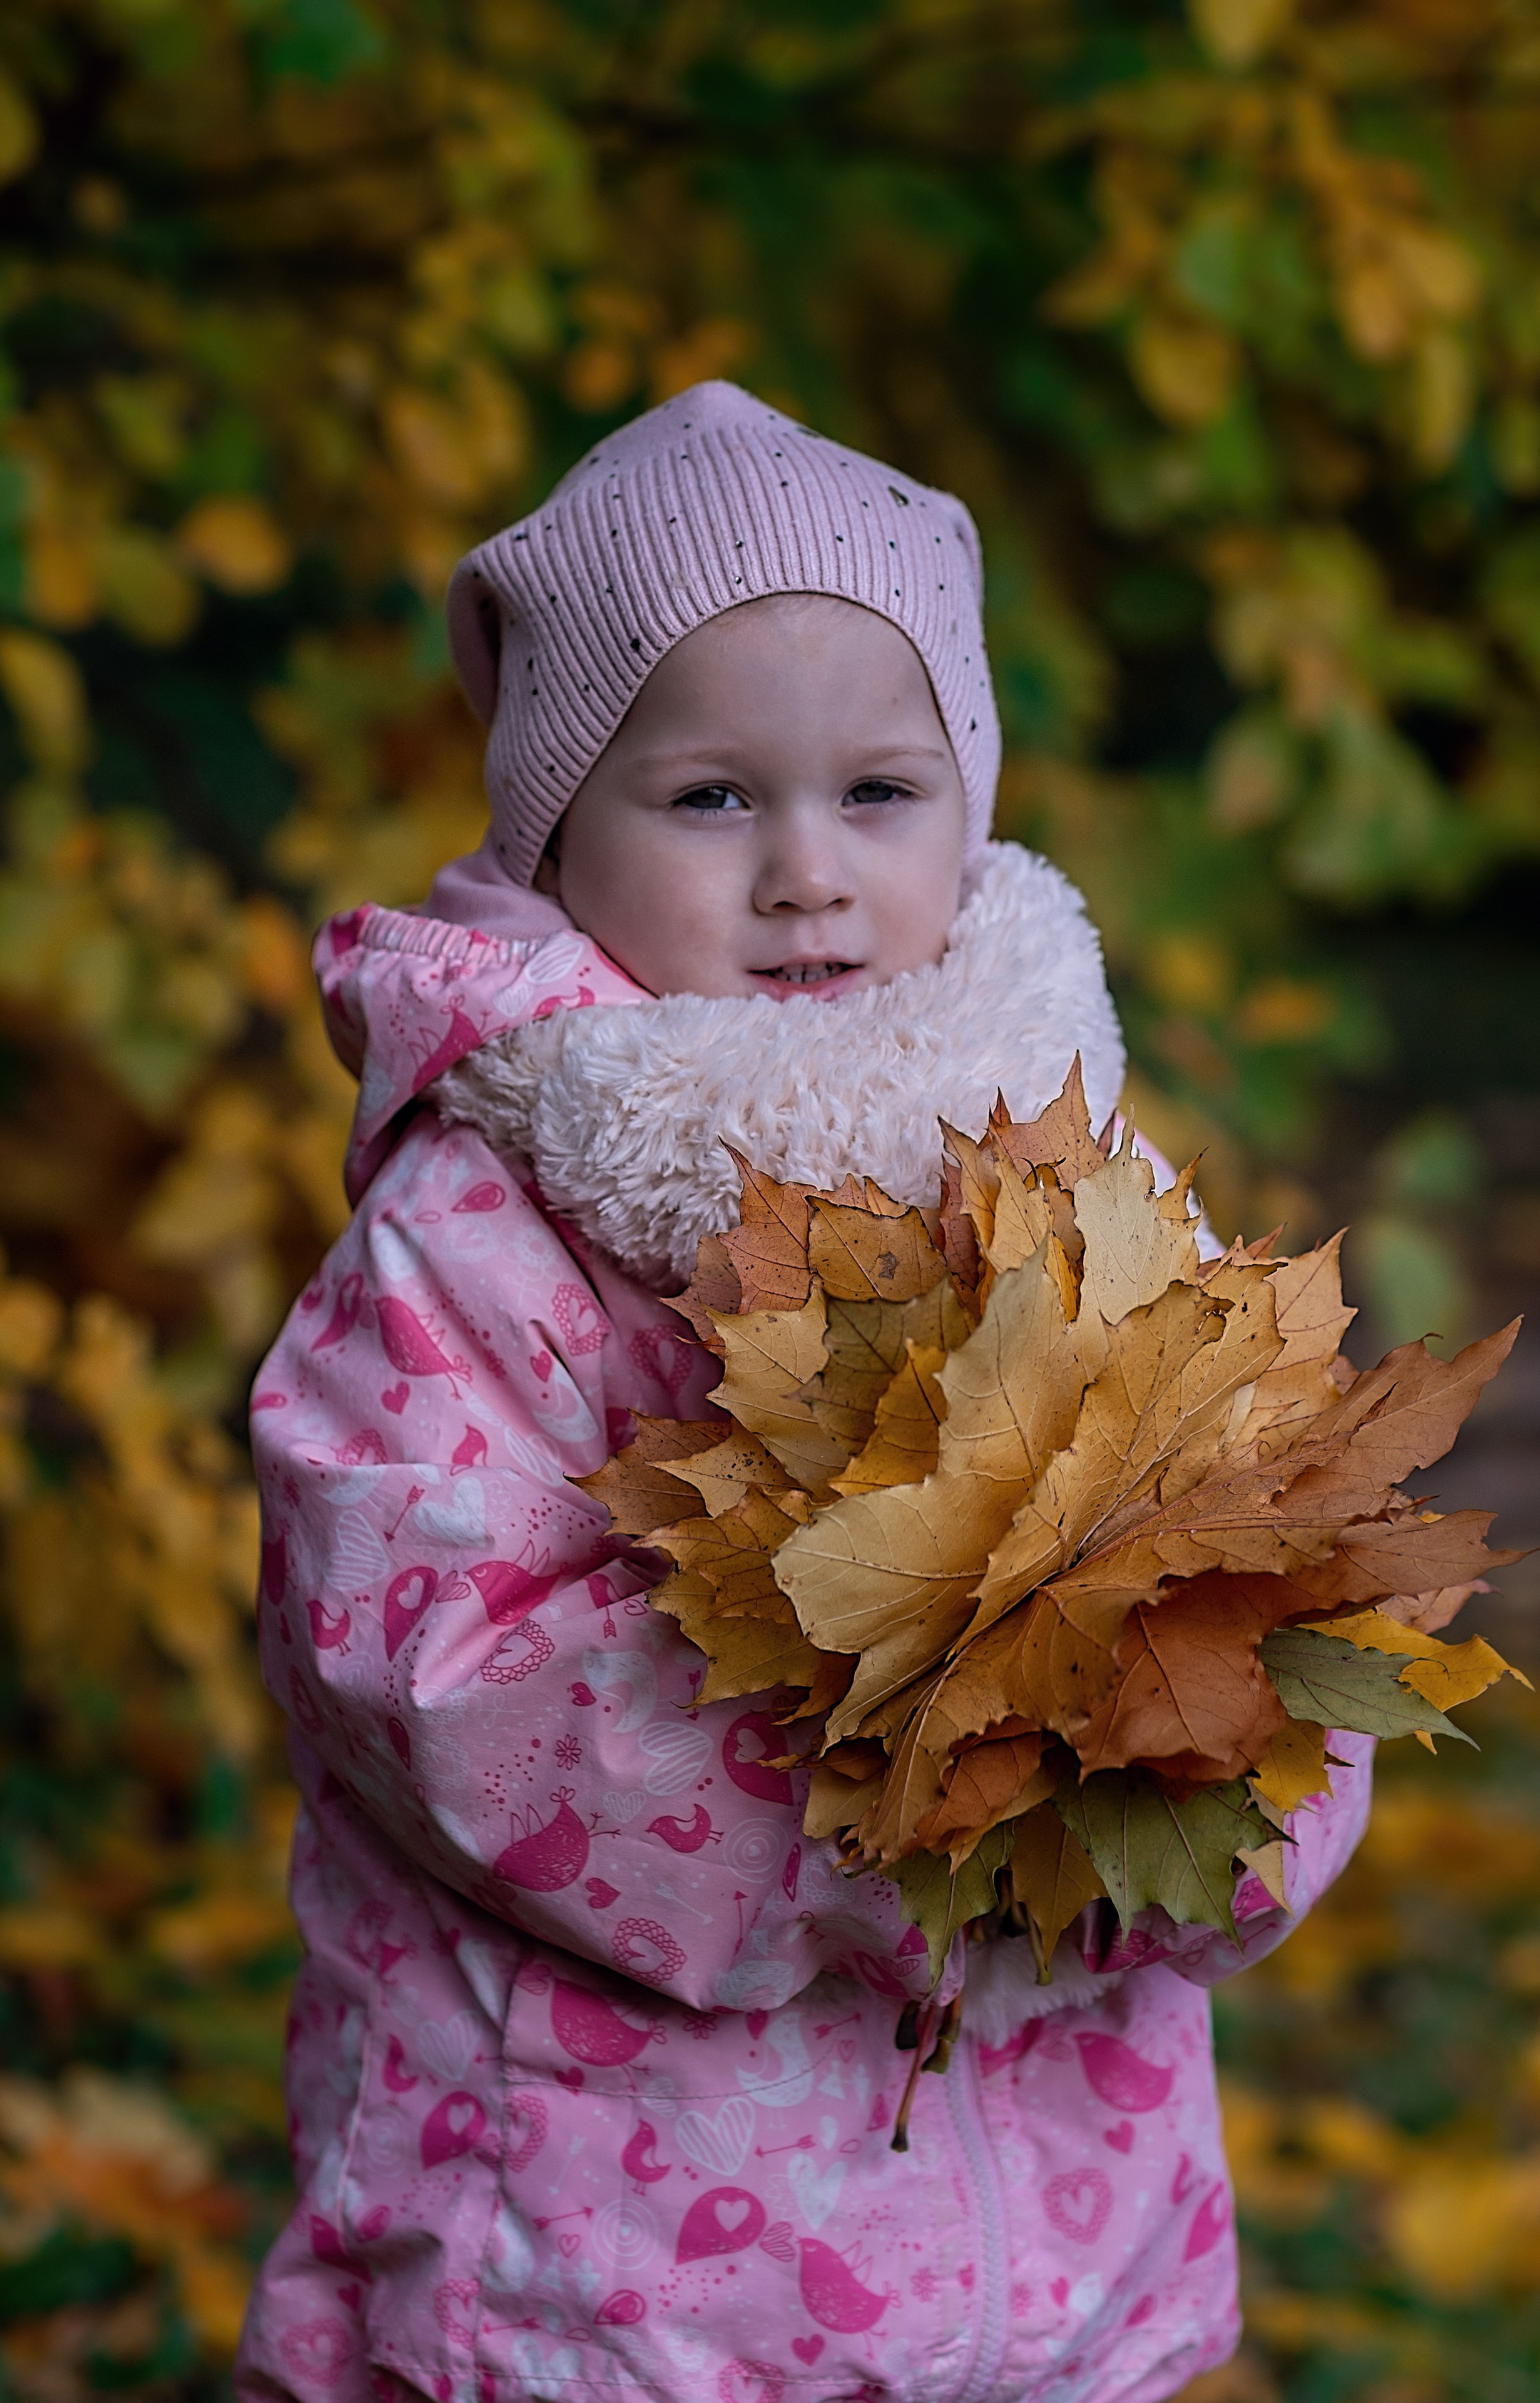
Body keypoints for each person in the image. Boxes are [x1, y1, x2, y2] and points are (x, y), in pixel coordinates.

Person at [238, 382, 1371, 2403]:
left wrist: (1218, 1786)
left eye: (877, 791)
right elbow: (445, 1677)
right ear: (558, 827)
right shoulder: (478, 1230)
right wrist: (911, 1815)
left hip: (1057, 2250)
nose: (805, 873)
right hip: (611, 2281)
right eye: (708, 798)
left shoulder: (1067, 1166)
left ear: (970, 802)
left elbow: (1264, 1537)